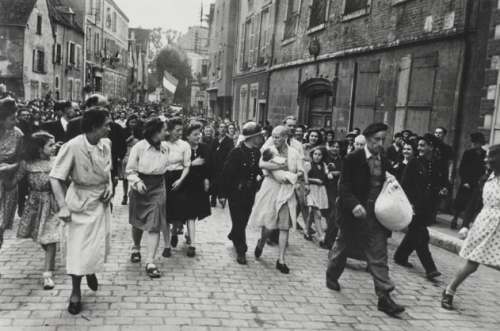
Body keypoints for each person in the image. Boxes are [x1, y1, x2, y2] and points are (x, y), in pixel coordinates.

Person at [326, 123, 405, 315]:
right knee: (341, 248)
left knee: (379, 255)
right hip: (354, 215)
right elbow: (343, 186)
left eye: (383, 139)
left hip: (376, 217)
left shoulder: (384, 161)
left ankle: (384, 297)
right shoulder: (352, 159)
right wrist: (354, 205)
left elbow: (386, 187)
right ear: (368, 139)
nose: (380, 143)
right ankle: (332, 275)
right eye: (377, 139)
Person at [50, 107, 113, 315]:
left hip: (100, 203)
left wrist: (110, 188)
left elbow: (108, 172)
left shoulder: (106, 145)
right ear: (94, 127)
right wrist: (62, 206)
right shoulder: (73, 146)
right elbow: (56, 177)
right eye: (106, 125)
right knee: (77, 251)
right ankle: (75, 293)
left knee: (97, 245)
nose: (109, 128)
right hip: (78, 204)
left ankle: (91, 271)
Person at [441, 144, 500, 311]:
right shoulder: (485, 178)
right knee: (472, 265)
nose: (486, 159)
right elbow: (474, 202)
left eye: (490, 156)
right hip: (485, 224)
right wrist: (465, 225)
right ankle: (449, 291)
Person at [5, 132, 59, 289]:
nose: (54, 147)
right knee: (40, 236)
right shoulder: (27, 163)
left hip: (53, 202)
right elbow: (14, 181)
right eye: (50, 145)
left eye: (54, 144)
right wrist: (5, 176)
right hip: (35, 204)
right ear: (39, 148)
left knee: (50, 238)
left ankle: (47, 275)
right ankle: (51, 256)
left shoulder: (57, 161)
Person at [393, 133, 448, 280]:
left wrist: (442, 190)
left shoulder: (440, 164)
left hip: (429, 206)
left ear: (431, 147)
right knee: (421, 234)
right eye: (419, 146)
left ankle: (400, 256)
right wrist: (409, 203)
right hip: (414, 205)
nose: (419, 148)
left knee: (415, 233)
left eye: (423, 145)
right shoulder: (414, 163)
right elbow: (405, 184)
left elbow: (442, 182)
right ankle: (430, 268)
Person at [127, 118, 169, 278]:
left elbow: (166, 167)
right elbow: (130, 170)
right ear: (155, 131)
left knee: (155, 223)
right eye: (165, 129)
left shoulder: (165, 147)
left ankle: (150, 261)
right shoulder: (139, 147)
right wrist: (137, 183)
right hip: (141, 186)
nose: (167, 132)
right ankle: (136, 247)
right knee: (138, 219)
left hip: (158, 187)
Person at [219, 121, 263, 265]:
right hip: (236, 193)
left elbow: (257, 170)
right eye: (258, 136)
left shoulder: (257, 152)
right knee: (239, 220)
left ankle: (234, 234)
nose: (261, 138)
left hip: (249, 193)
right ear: (252, 136)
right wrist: (222, 194)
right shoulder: (237, 152)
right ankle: (241, 251)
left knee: (243, 221)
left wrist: (259, 177)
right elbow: (225, 174)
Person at [183, 122, 214, 257]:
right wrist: (191, 164)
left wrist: (207, 178)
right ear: (187, 136)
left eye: (199, 134)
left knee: (192, 214)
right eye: (195, 134)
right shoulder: (183, 148)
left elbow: (211, 165)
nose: (198, 136)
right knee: (183, 213)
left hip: (198, 187)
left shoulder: (205, 148)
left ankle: (192, 244)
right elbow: (176, 165)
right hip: (184, 185)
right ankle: (181, 232)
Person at [163, 117, 191, 257]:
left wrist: (181, 180)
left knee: (177, 211)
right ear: (169, 130)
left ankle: (175, 232)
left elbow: (187, 165)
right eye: (177, 130)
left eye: (181, 130)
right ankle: (166, 245)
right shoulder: (162, 144)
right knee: (165, 212)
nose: (180, 133)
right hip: (164, 178)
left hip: (179, 178)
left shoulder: (185, 146)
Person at [0, 97, 24, 249]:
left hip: (7, 185)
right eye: (12, 119)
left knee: (0, 227)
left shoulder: (18, 134)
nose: (16, 121)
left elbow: (21, 161)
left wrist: (12, 167)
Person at [450, 133, 487, 229]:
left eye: (476, 143)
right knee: (460, 201)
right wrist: (465, 181)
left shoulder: (484, 154)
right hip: (467, 181)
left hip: (477, 183)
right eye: (473, 143)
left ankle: (465, 223)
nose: (474, 144)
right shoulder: (468, 153)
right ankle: (455, 219)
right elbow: (462, 168)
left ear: (481, 143)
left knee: (472, 204)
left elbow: (484, 170)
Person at [304, 146, 331, 249]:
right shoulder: (308, 165)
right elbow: (304, 177)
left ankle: (306, 231)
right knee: (318, 214)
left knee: (312, 213)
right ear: (312, 155)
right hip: (311, 190)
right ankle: (322, 238)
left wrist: (329, 174)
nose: (317, 156)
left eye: (319, 155)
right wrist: (315, 180)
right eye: (315, 154)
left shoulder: (323, 165)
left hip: (320, 190)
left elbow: (327, 174)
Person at [210, 122, 234, 207]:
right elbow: (211, 151)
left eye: (224, 127)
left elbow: (231, 152)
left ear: (226, 129)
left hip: (224, 165)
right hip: (215, 165)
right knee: (214, 182)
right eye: (221, 127)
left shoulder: (229, 140)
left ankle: (222, 199)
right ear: (218, 129)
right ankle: (213, 201)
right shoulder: (215, 139)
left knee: (222, 182)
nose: (222, 129)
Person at [121, 115, 141, 205]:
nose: (133, 124)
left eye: (135, 122)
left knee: (135, 176)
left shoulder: (140, 131)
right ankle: (124, 195)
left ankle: (132, 194)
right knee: (125, 177)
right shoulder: (124, 131)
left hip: (137, 155)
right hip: (126, 154)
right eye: (131, 122)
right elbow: (121, 143)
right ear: (128, 122)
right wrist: (128, 140)